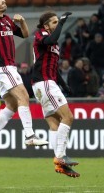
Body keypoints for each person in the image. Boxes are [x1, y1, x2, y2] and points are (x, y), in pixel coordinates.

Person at [0, 0, 48, 160]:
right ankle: (30, 136)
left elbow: (25, 34)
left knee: (12, 105)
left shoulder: (7, 20)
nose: (2, 0)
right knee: (23, 95)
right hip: (3, 66)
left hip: (7, 67)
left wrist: (23, 22)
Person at [32, 11, 79, 178]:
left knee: (54, 124)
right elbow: (51, 39)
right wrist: (62, 23)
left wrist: (64, 85)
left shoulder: (54, 45)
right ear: (46, 26)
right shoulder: (41, 34)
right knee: (68, 117)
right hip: (44, 83)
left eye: (57, 22)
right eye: (54, 22)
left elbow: (53, 67)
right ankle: (60, 157)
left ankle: (61, 164)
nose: (57, 24)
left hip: (44, 84)